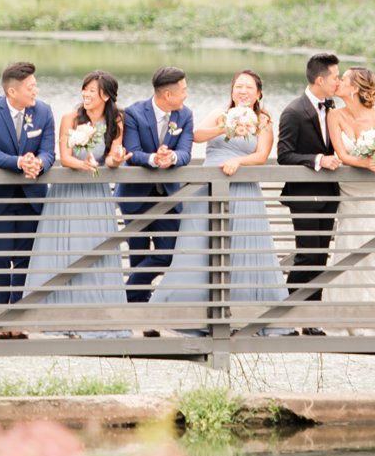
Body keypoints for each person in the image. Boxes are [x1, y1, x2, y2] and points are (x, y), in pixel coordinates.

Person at [152, 70, 289, 335]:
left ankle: (242, 315)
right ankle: (191, 314)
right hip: (207, 190)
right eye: (238, 86)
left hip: (242, 190)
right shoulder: (220, 113)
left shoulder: (264, 121)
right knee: (198, 245)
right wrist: (224, 126)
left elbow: (261, 155)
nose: (243, 91)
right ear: (232, 91)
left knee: (243, 248)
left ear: (258, 93)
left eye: (249, 87)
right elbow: (196, 135)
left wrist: (238, 161)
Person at [26, 70, 130, 339]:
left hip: (96, 193)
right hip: (69, 190)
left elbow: (112, 157)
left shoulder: (117, 119)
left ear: (106, 95)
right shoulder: (70, 118)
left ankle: (97, 316)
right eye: (84, 89)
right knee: (66, 249)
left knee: (96, 249)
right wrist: (82, 164)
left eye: (92, 91)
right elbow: (64, 157)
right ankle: (56, 314)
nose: (86, 94)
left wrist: (116, 161)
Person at [0, 62, 55, 339]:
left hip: (31, 196)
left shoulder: (43, 111)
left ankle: (17, 321)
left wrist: (39, 164)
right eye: (31, 87)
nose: (36, 91)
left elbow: (48, 152)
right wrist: (21, 162)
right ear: (12, 91)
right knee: (0, 256)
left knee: (23, 260)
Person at [326, 66, 375, 334]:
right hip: (351, 190)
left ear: (355, 87)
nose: (338, 83)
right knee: (350, 241)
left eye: (343, 79)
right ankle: (346, 315)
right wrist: (364, 162)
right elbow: (342, 154)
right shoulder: (334, 115)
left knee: (374, 242)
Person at [276, 52, 343, 336]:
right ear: (320, 79)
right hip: (303, 194)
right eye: (336, 77)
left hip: (328, 193)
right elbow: (284, 155)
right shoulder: (293, 111)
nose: (338, 82)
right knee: (306, 253)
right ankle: (287, 314)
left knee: (321, 255)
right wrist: (317, 160)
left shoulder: (333, 107)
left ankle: (311, 318)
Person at [115, 66, 195, 303]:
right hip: (135, 195)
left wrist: (171, 158)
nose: (186, 95)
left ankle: (125, 294)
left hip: (168, 197)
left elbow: (185, 152)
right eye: (183, 90)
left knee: (168, 253)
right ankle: (139, 312)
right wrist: (154, 159)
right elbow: (133, 152)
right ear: (167, 95)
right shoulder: (133, 114)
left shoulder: (185, 115)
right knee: (138, 254)